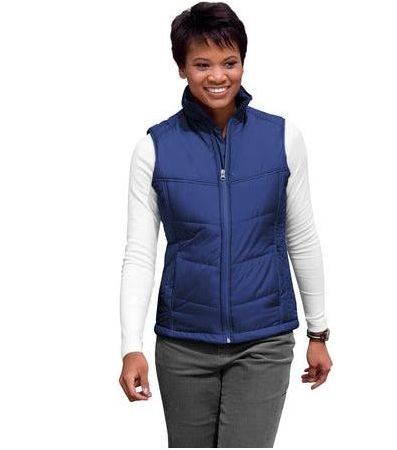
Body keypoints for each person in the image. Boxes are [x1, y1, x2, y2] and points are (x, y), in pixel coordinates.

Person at [119, 2, 333, 447]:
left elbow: (301, 237)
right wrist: (130, 345)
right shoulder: (154, 148)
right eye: (202, 64)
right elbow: (139, 254)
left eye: (229, 62)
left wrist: (318, 331)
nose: (218, 76)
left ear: (243, 63)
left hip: (264, 341)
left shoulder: (282, 137)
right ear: (182, 68)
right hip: (183, 345)